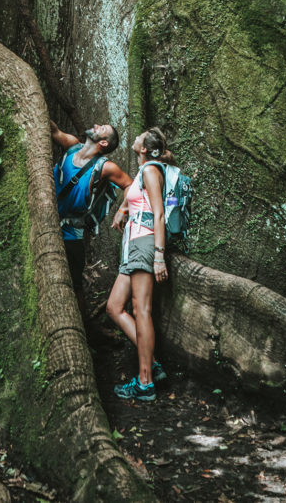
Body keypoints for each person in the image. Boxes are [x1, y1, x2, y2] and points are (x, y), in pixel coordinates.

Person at [106, 127, 173, 402]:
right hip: (133, 246)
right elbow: (135, 199)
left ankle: (145, 382)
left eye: (141, 136)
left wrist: (159, 256)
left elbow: (158, 214)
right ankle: (153, 364)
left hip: (145, 244)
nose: (136, 137)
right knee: (114, 307)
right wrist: (123, 211)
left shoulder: (150, 171)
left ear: (144, 148)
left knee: (141, 310)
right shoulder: (143, 172)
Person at [51, 120, 133, 318]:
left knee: (75, 284)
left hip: (71, 233)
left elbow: (131, 184)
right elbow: (53, 129)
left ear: (103, 143)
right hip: (46, 221)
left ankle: (83, 329)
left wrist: (123, 210)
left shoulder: (104, 167)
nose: (96, 125)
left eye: (101, 129)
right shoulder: (71, 145)